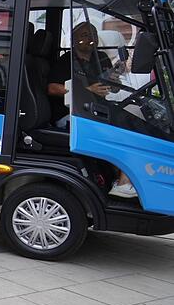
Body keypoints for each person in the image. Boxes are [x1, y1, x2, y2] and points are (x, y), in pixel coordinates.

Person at [47, 21, 137, 199]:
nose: (90, 39)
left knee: (132, 120)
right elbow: (52, 88)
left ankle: (121, 177)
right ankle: (123, 183)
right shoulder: (67, 60)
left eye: (93, 35)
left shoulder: (101, 57)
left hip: (98, 109)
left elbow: (113, 88)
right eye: (85, 35)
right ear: (74, 40)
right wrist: (87, 90)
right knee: (118, 131)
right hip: (72, 113)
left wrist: (114, 81)